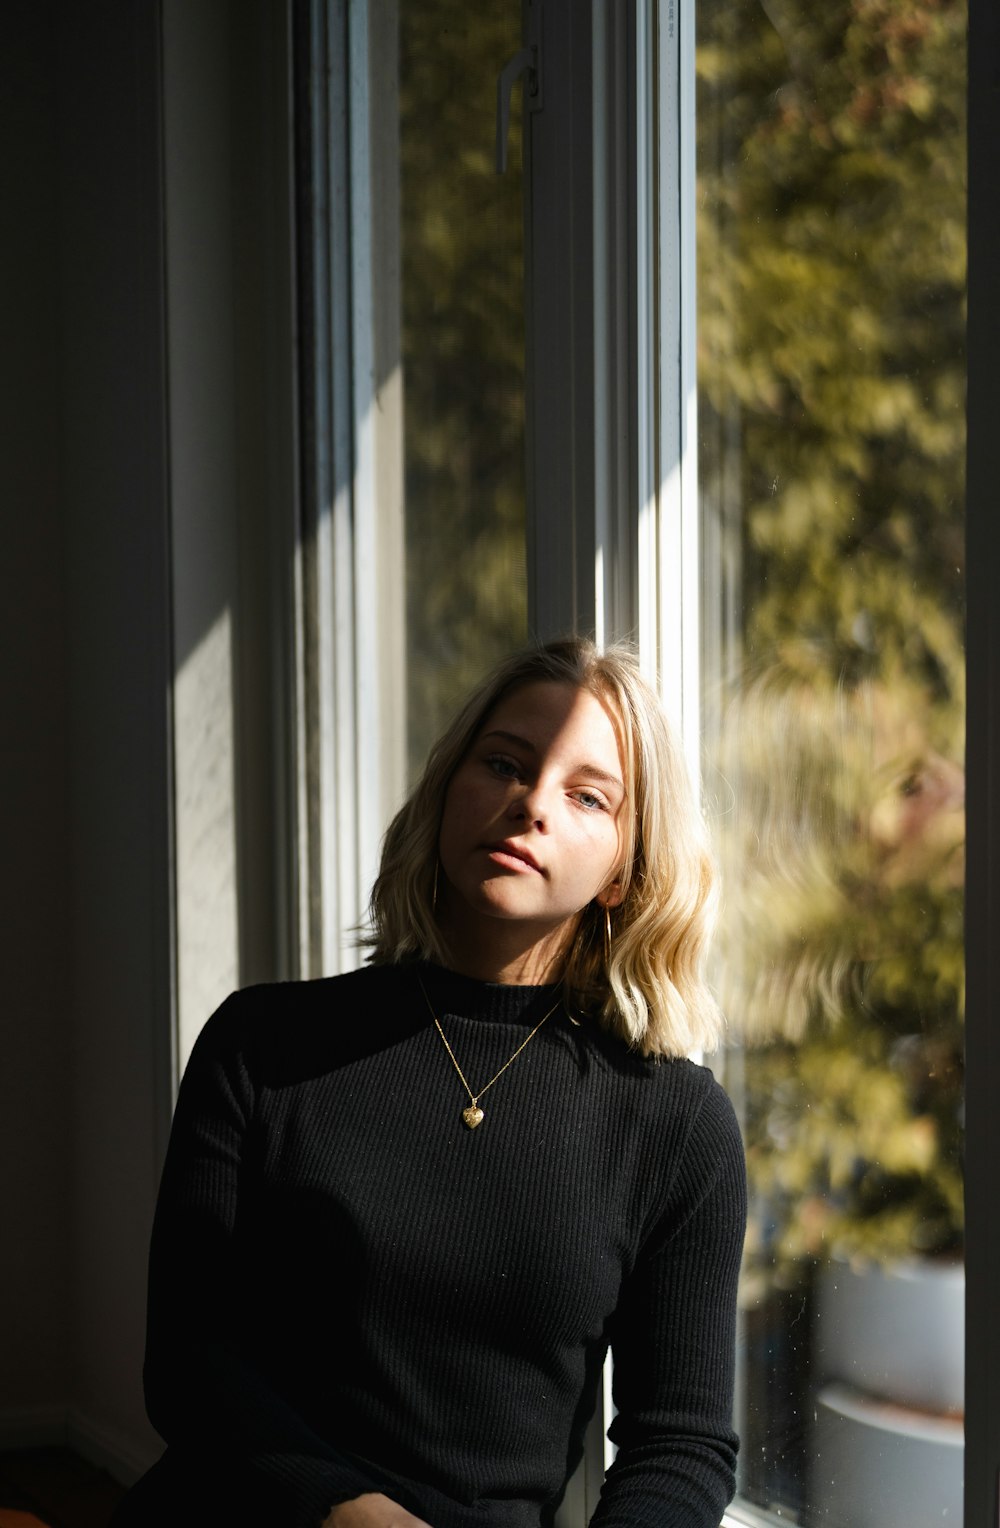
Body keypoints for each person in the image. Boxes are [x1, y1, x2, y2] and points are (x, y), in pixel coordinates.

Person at [111, 637, 747, 1528]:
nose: (531, 805)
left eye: (587, 795)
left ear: (624, 871)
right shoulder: (261, 1045)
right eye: (504, 764)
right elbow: (186, 1362)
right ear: (450, 789)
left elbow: (680, 1444)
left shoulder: (678, 1125)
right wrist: (346, 1510)